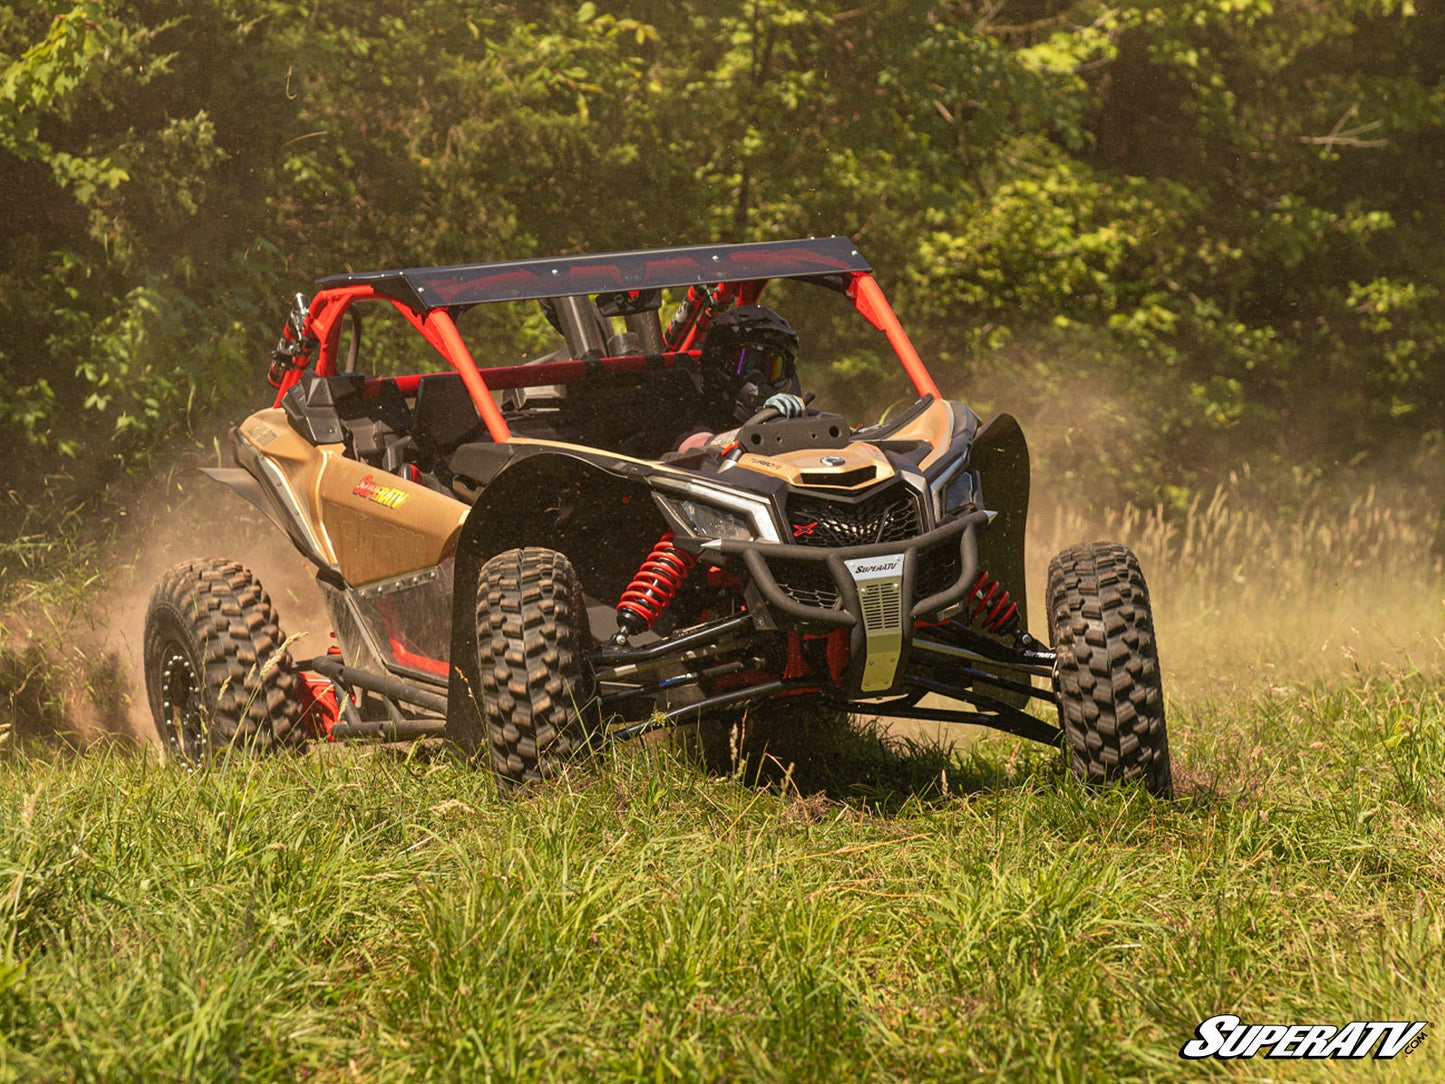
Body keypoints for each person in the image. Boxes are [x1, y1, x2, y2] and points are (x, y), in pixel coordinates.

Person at [696, 305, 807, 430]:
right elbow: (701, 443)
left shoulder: (788, 413)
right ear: (718, 363)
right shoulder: (694, 408)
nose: (757, 377)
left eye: (770, 367)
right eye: (744, 363)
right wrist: (763, 427)